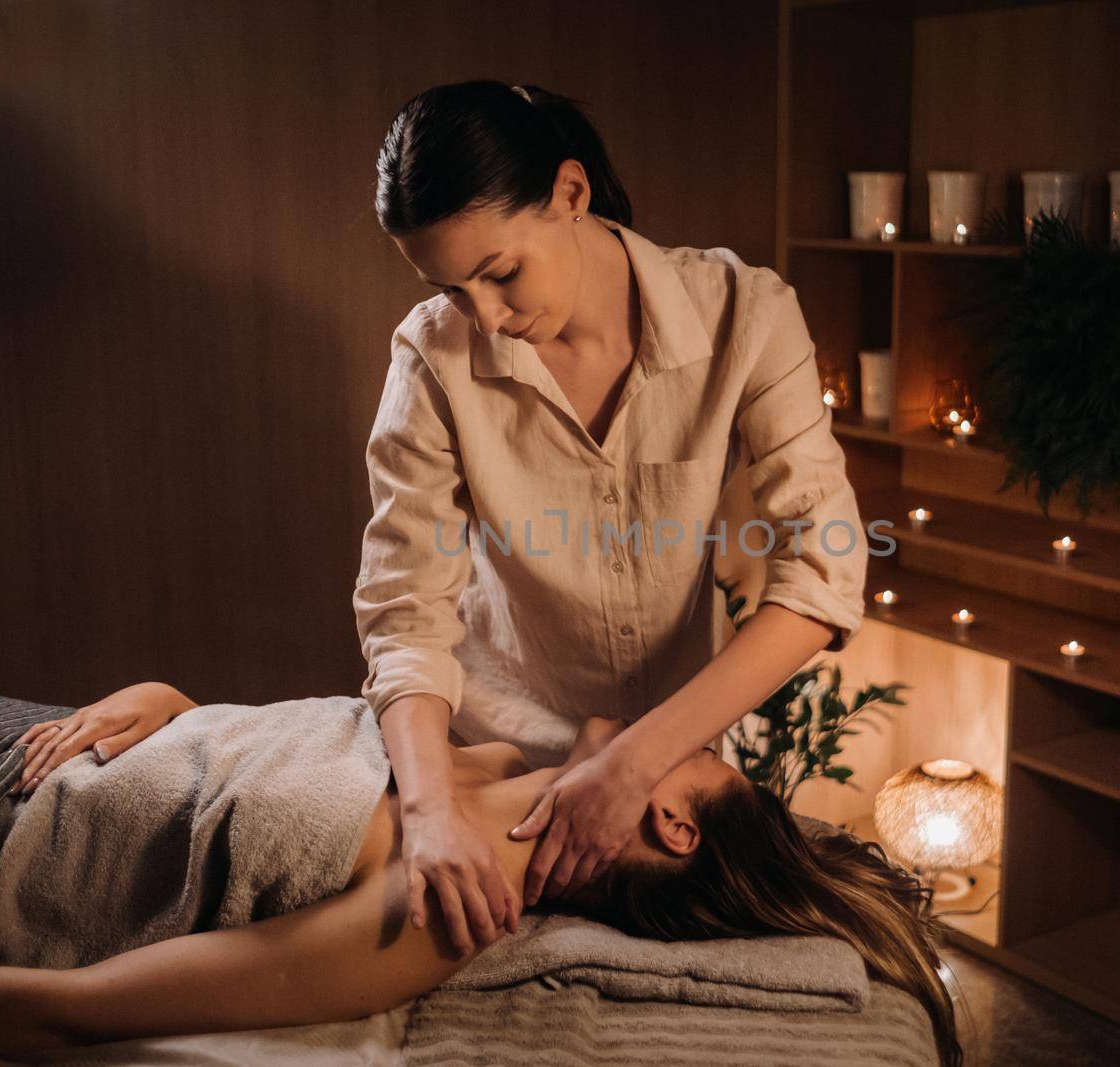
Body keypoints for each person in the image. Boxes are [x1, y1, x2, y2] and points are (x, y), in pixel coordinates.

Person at [358, 78, 871, 960]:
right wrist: (431, 808)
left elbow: (822, 579)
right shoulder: (433, 356)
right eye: (452, 289)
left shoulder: (746, 315)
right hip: (504, 768)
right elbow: (406, 616)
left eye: (501, 272)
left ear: (570, 193)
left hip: (662, 772)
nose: (488, 318)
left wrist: (632, 766)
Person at [0, 685, 962, 1067]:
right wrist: (160, 696)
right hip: (3, 742)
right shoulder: (488, 765)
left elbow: (75, 1013)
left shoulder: (442, 911)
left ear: (673, 821)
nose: (667, 726)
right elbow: (257, 747)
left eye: (696, 754)